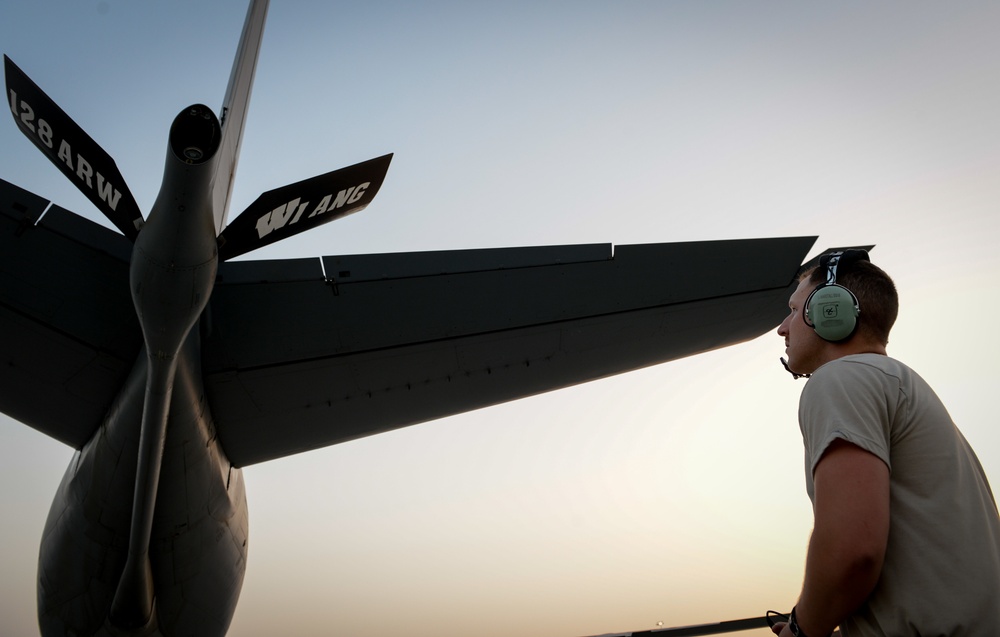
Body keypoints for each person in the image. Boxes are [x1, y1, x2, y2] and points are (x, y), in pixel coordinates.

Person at [771, 250, 1000, 637]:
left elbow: (851, 552)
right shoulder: (898, 381)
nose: (782, 328)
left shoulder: (840, 380)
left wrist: (802, 630)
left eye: (793, 311)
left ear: (830, 311)